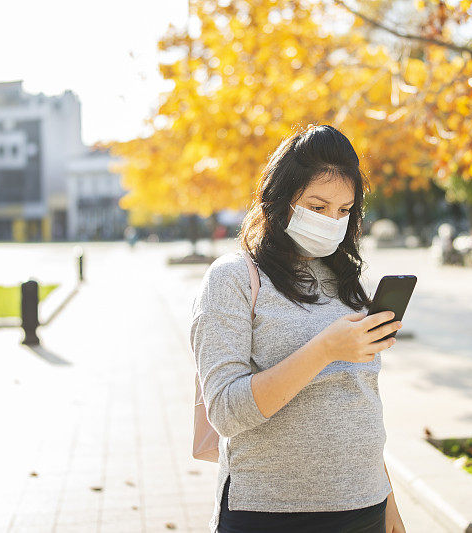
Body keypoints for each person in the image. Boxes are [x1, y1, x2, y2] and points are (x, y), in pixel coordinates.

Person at [190, 124, 406, 533]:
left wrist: (388, 497)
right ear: (281, 199)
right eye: (318, 206)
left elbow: (359, 398)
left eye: (344, 210)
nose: (331, 221)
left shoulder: (345, 280)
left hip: (367, 507)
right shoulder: (234, 277)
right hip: (272, 514)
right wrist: (324, 350)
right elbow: (225, 411)